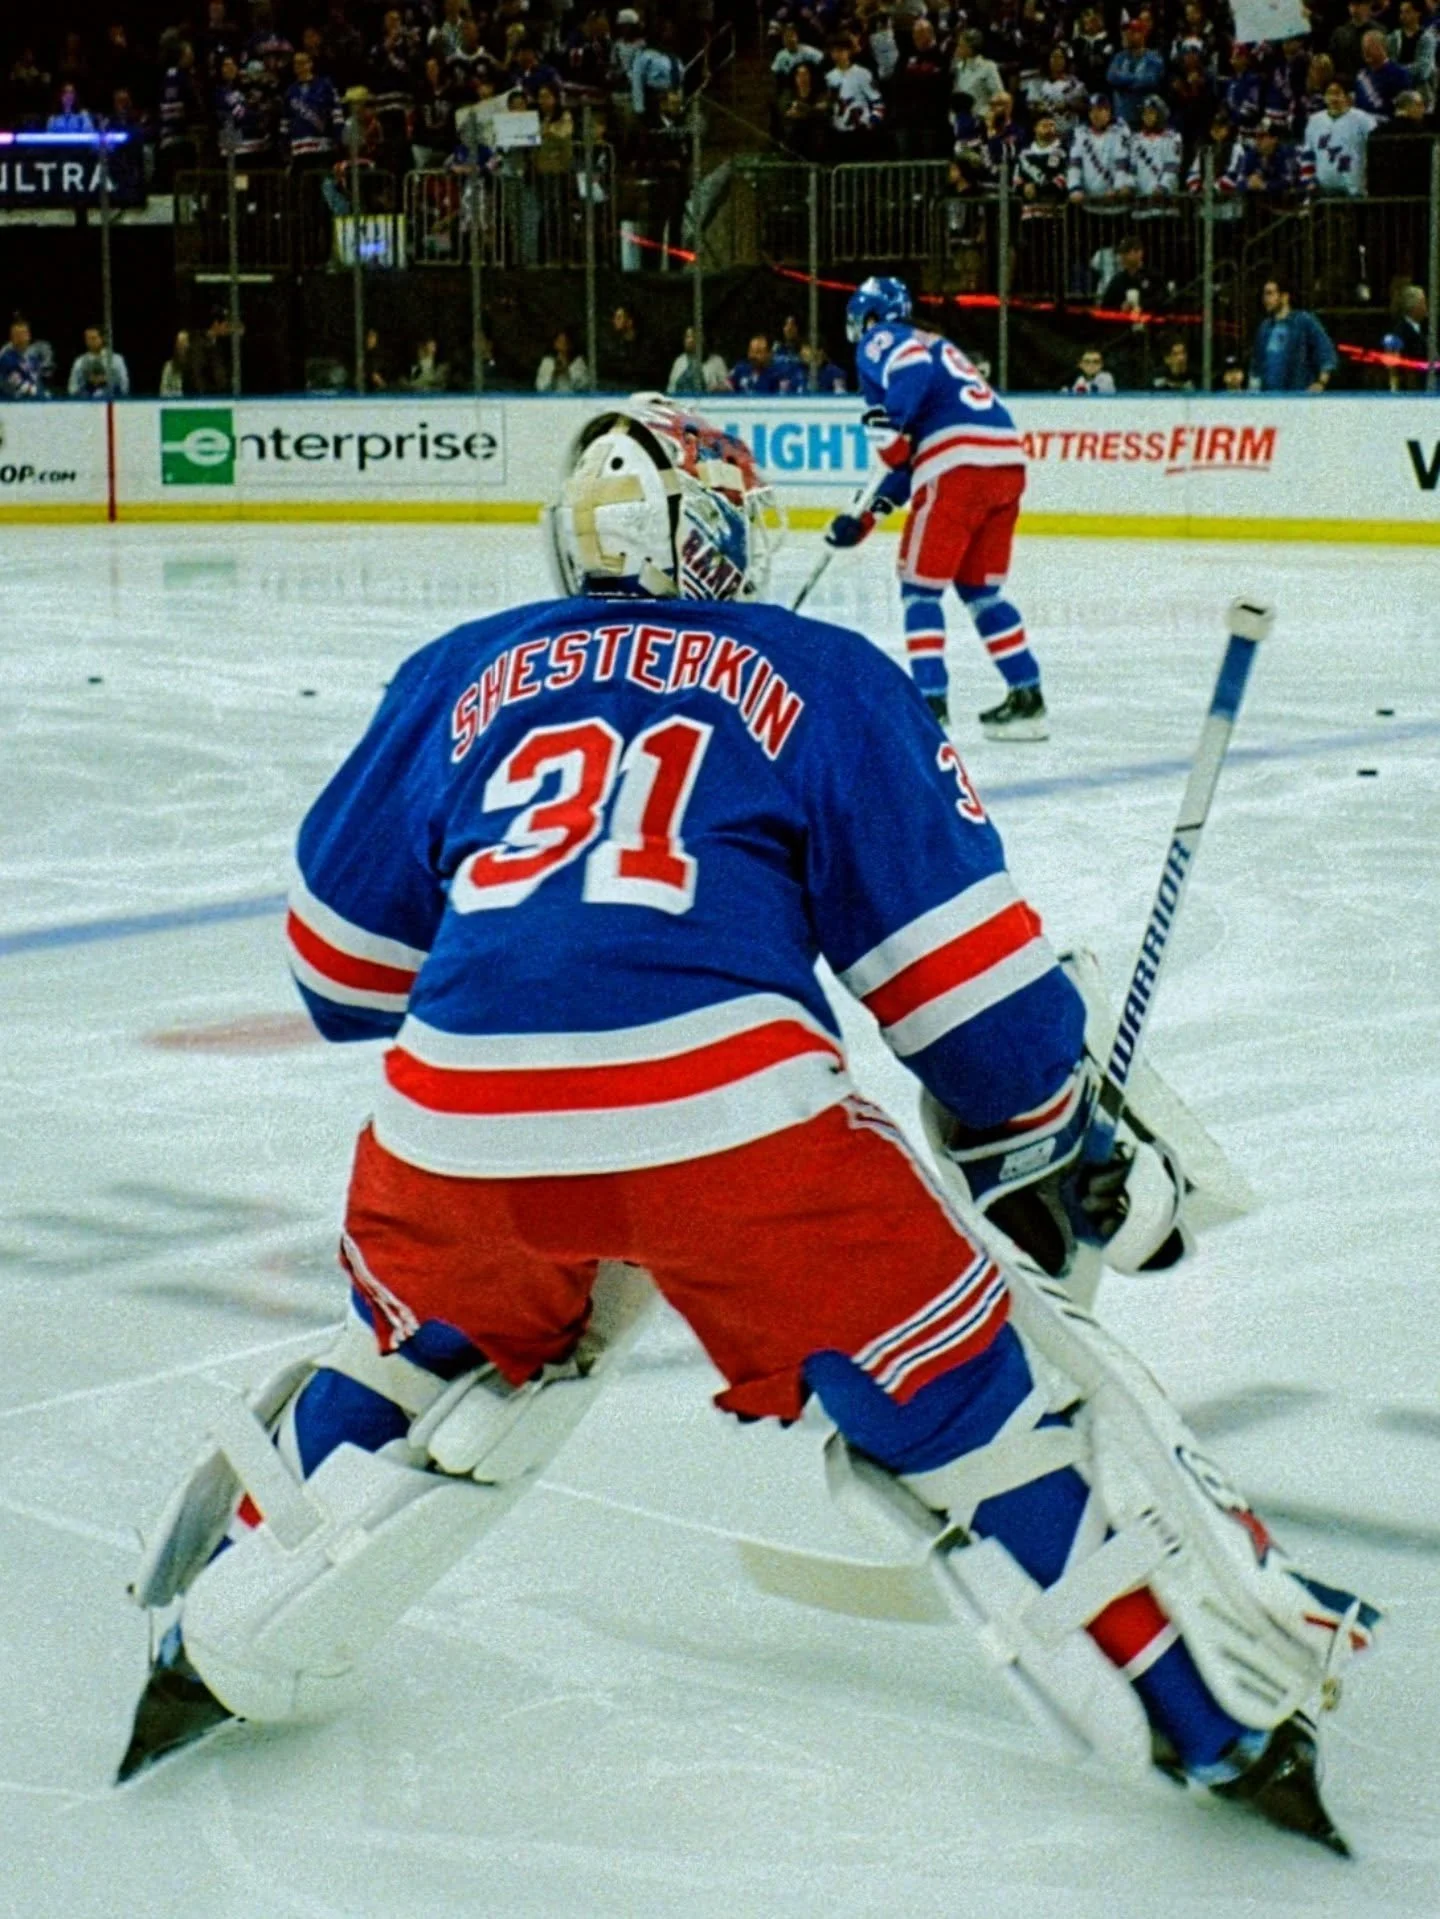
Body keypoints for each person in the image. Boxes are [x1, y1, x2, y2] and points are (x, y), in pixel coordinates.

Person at [115, 397, 1378, 1861]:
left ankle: (204, 1639)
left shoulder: (455, 669)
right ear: (719, 533)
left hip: (451, 1121)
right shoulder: (825, 673)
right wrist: (1058, 1137)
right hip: (731, 1121)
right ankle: (1215, 1716)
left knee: (425, 1349)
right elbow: (968, 998)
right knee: (977, 1389)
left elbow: (340, 974)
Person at [828, 277, 1046, 740]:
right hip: (1004, 464)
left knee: (920, 590)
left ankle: (931, 705)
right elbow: (905, 466)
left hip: (956, 465)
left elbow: (907, 376)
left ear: (869, 315)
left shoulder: (883, 338)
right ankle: (1028, 698)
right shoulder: (939, 345)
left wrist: (889, 423)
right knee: (979, 590)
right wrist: (865, 519)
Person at [1249, 277, 1337, 391]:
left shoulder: (1303, 321)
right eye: (1264, 294)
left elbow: (1325, 351)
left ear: (1284, 297)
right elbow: (1257, 363)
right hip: (1269, 397)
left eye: (1270, 293)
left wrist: (1321, 383)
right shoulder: (1265, 327)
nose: (1265, 299)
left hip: (1296, 395)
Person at [67, 326, 131, 398]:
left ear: (102, 338)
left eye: (93, 338)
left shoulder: (116, 359)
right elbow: (72, 386)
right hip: (86, 400)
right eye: (87, 339)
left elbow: (124, 384)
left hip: (111, 398)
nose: (90, 342)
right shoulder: (79, 361)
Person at [666, 325, 730, 394]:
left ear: (703, 339)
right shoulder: (679, 361)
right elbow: (671, 390)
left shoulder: (717, 361)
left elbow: (728, 389)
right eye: (687, 337)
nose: (690, 340)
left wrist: (717, 389)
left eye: (694, 336)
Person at [0, 316, 49, 399]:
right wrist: (37, 393)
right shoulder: (6, 360)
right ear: (12, 338)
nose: (22, 337)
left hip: (34, 403)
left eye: (24, 333)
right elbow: (16, 385)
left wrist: (43, 394)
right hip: (12, 404)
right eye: (17, 334)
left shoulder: (33, 360)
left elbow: (38, 382)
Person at [535, 327, 591, 393]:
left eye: (566, 342)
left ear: (571, 345)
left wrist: (568, 373)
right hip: (552, 401)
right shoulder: (547, 363)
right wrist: (553, 375)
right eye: (560, 341)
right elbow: (540, 387)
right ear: (555, 344)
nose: (563, 345)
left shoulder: (578, 362)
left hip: (573, 400)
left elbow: (585, 386)